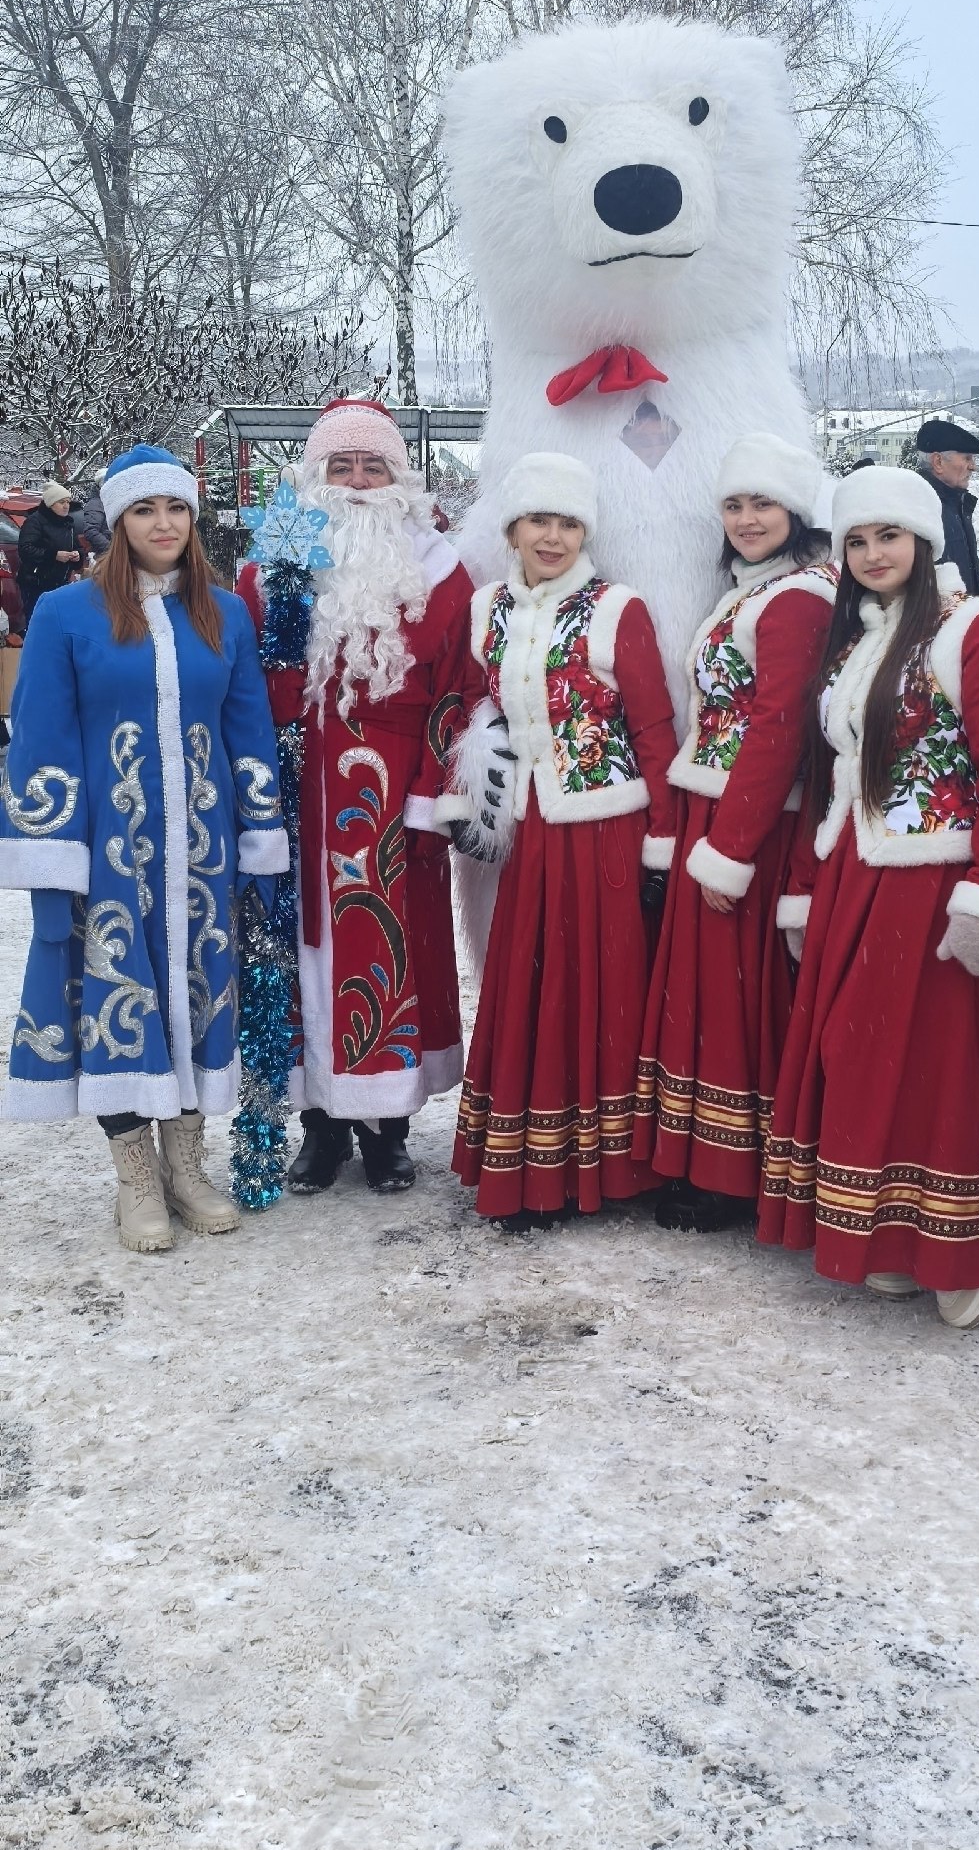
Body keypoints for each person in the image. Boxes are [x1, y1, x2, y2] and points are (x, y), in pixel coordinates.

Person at [757, 465, 979, 1328]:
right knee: (858, 1057)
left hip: (944, 885)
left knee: (940, 1070)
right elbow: (828, 782)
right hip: (857, 883)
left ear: (922, 538)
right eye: (855, 541)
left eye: (886, 536)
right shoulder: (854, 640)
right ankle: (894, 1233)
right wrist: (805, 886)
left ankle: (960, 1243)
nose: (870, 554)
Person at [0, 444, 289, 1250]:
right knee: (116, 1002)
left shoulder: (224, 613)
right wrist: (49, 853)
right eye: (144, 510)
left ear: (192, 520)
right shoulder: (65, 614)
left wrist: (261, 831)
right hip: (107, 851)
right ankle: (135, 1177)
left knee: (195, 994)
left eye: (176, 509)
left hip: (204, 852)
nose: (163, 524)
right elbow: (39, 741)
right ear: (118, 522)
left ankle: (187, 1166)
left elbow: (247, 730)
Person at [237, 397, 472, 1197]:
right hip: (296, 788)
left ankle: (387, 1130)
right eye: (342, 466)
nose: (359, 480)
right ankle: (321, 1126)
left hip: (392, 793)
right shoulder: (269, 566)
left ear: (398, 476)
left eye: (374, 465)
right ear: (314, 475)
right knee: (294, 952)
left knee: (388, 950)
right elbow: (243, 682)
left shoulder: (438, 566)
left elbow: (457, 692)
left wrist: (429, 794)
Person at [442, 453, 677, 1227]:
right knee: (532, 987)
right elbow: (479, 712)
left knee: (606, 992)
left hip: (607, 828)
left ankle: (610, 1169)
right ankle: (533, 1168)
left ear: (586, 532)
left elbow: (651, 727)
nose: (552, 536)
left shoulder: (617, 609)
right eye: (538, 520)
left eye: (568, 522)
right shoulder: (487, 610)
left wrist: (663, 841)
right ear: (512, 527)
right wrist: (471, 796)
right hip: (529, 834)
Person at [632, 434, 835, 1230]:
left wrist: (731, 850)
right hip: (711, 812)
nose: (747, 519)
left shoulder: (796, 598)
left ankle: (734, 1171)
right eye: (735, 505)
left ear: (795, 511)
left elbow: (780, 731)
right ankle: (707, 1159)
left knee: (735, 1002)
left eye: (763, 504)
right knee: (707, 1000)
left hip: (749, 823)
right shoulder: (753, 589)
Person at [912, 419, 979, 596]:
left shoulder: (954, 505)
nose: (973, 467)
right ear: (938, 462)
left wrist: (978, 590)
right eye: (967, 458)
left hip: (957, 620)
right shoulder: (922, 508)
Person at [17, 480, 81, 619]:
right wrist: (53, 555)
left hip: (61, 582)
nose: (66, 506)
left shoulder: (68, 523)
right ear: (51, 504)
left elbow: (76, 546)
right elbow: (25, 549)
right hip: (36, 583)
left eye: (68, 502)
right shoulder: (35, 521)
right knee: (38, 620)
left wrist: (77, 556)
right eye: (61, 502)